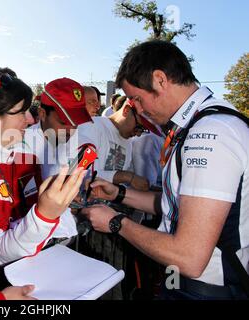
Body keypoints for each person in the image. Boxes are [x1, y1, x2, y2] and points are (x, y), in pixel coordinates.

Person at [82, 40, 249, 300]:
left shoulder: (210, 132)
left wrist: (115, 223)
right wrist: (118, 193)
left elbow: (190, 257)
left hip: (206, 289)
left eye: (137, 98)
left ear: (160, 80)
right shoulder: (198, 125)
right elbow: (178, 204)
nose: (135, 108)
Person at [0, 72, 86, 266]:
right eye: (22, 112)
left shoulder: (27, 156)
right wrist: (45, 214)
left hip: (38, 267)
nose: (31, 120)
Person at [24, 78, 93, 241]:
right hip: (33, 241)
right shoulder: (20, 146)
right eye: (63, 122)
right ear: (42, 114)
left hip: (65, 235)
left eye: (75, 123)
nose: (70, 130)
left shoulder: (71, 142)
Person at [77, 97, 150, 191]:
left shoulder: (128, 142)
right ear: (126, 110)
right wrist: (126, 177)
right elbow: (78, 171)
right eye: (138, 127)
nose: (139, 134)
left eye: (143, 130)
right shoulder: (92, 127)